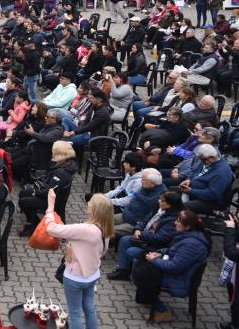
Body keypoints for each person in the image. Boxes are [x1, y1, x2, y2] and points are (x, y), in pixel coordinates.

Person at [44, 190, 114, 329]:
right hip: (92, 275)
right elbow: (101, 251)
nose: (88, 203)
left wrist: (51, 206)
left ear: (95, 209)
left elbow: (51, 228)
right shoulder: (106, 228)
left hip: (75, 278)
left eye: (91, 202)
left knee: (75, 313)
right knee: (89, 308)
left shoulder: (85, 229)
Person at [133, 210, 210, 323]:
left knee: (143, 272)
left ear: (187, 226)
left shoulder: (191, 244)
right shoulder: (189, 235)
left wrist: (154, 260)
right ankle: (148, 297)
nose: (175, 223)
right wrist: (160, 253)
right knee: (142, 259)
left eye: (178, 221)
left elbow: (175, 267)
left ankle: (162, 310)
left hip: (179, 279)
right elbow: (173, 251)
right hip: (179, 271)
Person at [108, 190, 182, 282]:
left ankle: (139, 275)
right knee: (125, 240)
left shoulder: (172, 220)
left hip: (155, 247)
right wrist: (138, 229)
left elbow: (160, 238)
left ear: (170, 205)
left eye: (162, 200)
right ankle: (123, 271)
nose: (159, 201)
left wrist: (142, 235)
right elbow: (145, 219)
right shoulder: (159, 209)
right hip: (144, 238)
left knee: (131, 251)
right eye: (159, 198)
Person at [19, 140, 78, 235]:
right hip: (55, 196)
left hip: (53, 201)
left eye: (54, 150)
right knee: (23, 192)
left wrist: (35, 192)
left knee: (23, 201)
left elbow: (49, 192)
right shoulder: (67, 163)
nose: (52, 152)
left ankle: (35, 225)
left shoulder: (61, 172)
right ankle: (32, 221)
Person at [178, 144, 234, 214]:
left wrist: (191, 191)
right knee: (173, 193)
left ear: (212, 157)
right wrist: (188, 179)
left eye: (203, 160)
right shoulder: (207, 161)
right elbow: (194, 170)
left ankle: (184, 222)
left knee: (186, 206)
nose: (201, 161)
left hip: (210, 202)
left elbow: (212, 194)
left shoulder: (221, 172)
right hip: (195, 190)